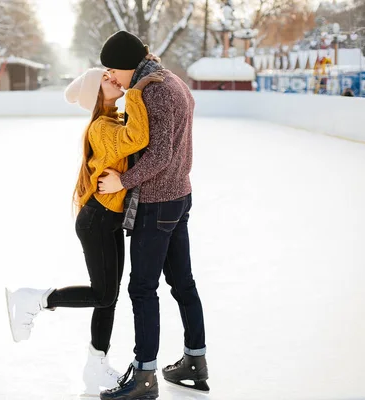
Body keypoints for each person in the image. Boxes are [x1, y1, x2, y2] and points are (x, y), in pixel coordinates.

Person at [5, 67, 164, 395]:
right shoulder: (102, 127)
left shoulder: (110, 120)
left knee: (108, 298)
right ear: (96, 94)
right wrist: (136, 92)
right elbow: (139, 138)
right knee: (104, 294)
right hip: (97, 221)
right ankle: (34, 300)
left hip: (107, 219)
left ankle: (96, 368)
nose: (114, 79)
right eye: (105, 79)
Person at [96, 31, 209, 399]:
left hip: (157, 202)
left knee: (142, 289)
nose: (112, 76)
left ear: (128, 64)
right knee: (183, 284)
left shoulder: (152, 91)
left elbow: (158, 154)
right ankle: (195, 360)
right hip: (179, 196)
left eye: (113, 69)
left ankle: (144, 376)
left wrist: (121, 182)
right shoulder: (169, 79)